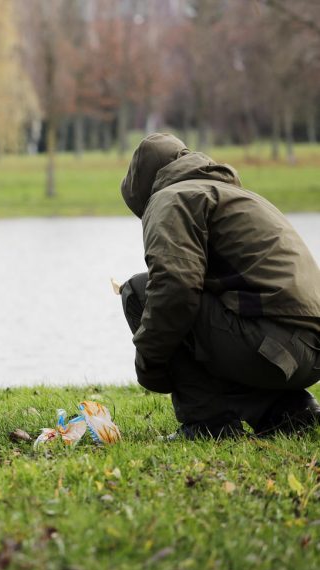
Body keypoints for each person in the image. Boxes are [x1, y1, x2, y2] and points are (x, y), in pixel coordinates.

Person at [118, 133, 320, 439]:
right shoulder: (230, 194)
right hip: (306, 354)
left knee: (139, 292)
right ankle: (288, 410)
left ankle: (208, 423)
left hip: (274, 349)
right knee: (213, 307)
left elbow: (175, 290)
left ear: (141, 186)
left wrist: (149, 362)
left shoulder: (170, 198)